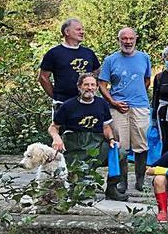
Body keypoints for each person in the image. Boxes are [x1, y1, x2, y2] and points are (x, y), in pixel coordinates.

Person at [48, 73, 126, 201]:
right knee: (82, 195)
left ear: (96, 88)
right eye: (86, 85)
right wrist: (56, 138)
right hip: (76, 150)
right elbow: (53, 127)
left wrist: (111, 140)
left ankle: (112, 189)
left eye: (93, 85)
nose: (89, 88)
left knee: (120, 153)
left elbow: (106, 127)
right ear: (79, 87)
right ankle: (78, 184)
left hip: (97, 145)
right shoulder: (68, 106)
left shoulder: (102, 104)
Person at [98, 27, 152, 193]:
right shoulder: (110, 60)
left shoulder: (144, 58)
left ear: (136, 39)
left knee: (141, 144)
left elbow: (147, 80)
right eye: (124, 39)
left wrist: (136, 95)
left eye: (131, 38)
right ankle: (122, 182)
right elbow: (102, 84)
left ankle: (140, 180)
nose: (128, 42)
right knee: (119, 145)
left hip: (140, 106)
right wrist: (113, 102)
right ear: (119, 40)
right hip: (117, 108)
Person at [38, 18, 100, 117]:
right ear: (67, 32)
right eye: (78, 29)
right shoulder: (54, 53)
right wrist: (55, 96)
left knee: (86, 132)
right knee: (61, 132)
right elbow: (43, 77)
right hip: (63, 104)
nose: (82, 32)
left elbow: (97, 72)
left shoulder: (89, 53)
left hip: (87, 103)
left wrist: (90, 90)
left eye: (82, 29)